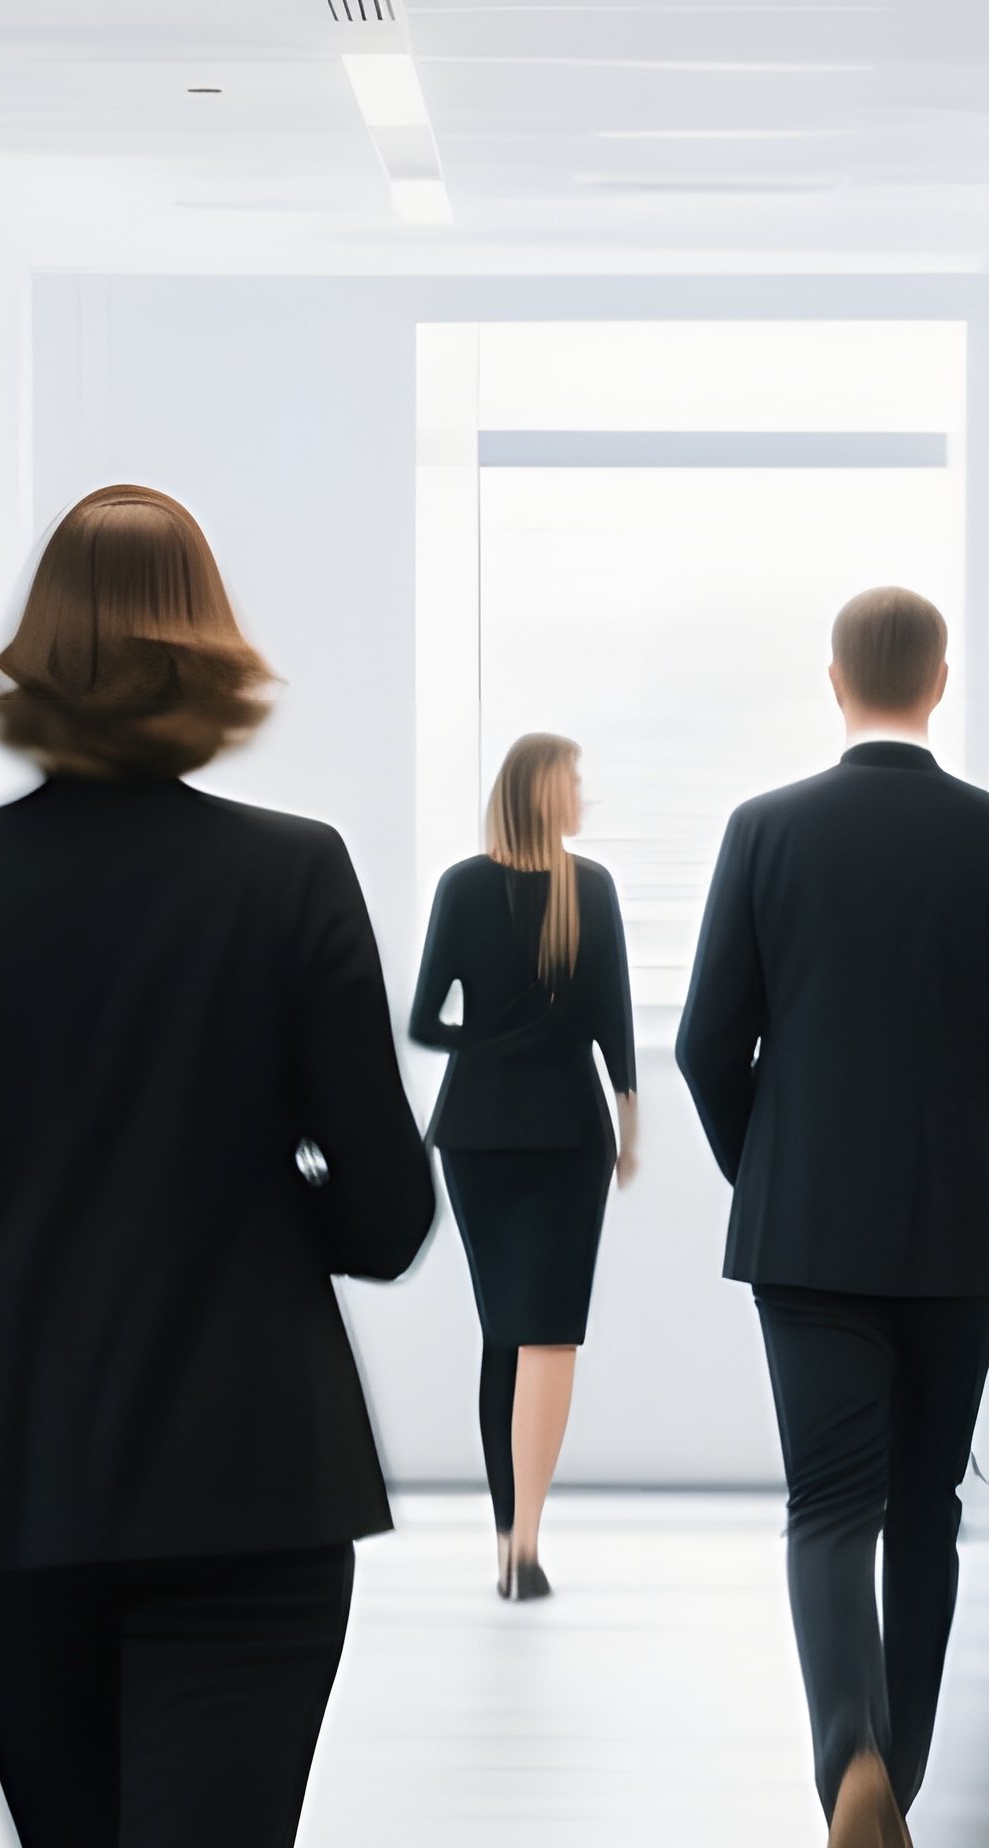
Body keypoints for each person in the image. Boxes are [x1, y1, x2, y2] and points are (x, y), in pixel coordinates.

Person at [0, 484, 436, 1848]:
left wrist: (24, 1228)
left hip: (22, 1468)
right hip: (256, 1468)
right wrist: (242, 1198)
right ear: (208, 650)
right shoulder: (292, 874)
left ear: (37, 653)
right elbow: (390, 1217)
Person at [679, 587, 989, 1848]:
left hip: (806, 1230)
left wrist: (770, 1166)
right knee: (929, 1507)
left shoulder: (766, 829)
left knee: (829, 1507)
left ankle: (845, 1758)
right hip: (966, 1233)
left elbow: (707, 1044)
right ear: (942, 679)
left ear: (835, 679)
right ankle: (897, 1784)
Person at [410, 734, 638, 1601]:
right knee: (532, 1329)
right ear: (539, 790)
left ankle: (517, 1538)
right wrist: (620, 1107)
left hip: (492, 1129)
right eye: (573, 778)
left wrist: (623, 1109)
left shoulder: (574, 886)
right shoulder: (480, 886)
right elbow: (427, 1018)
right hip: (539, 1133)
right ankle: (520, 1540)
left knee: (521, 1329)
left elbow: (437, 1025)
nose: (582, 791)